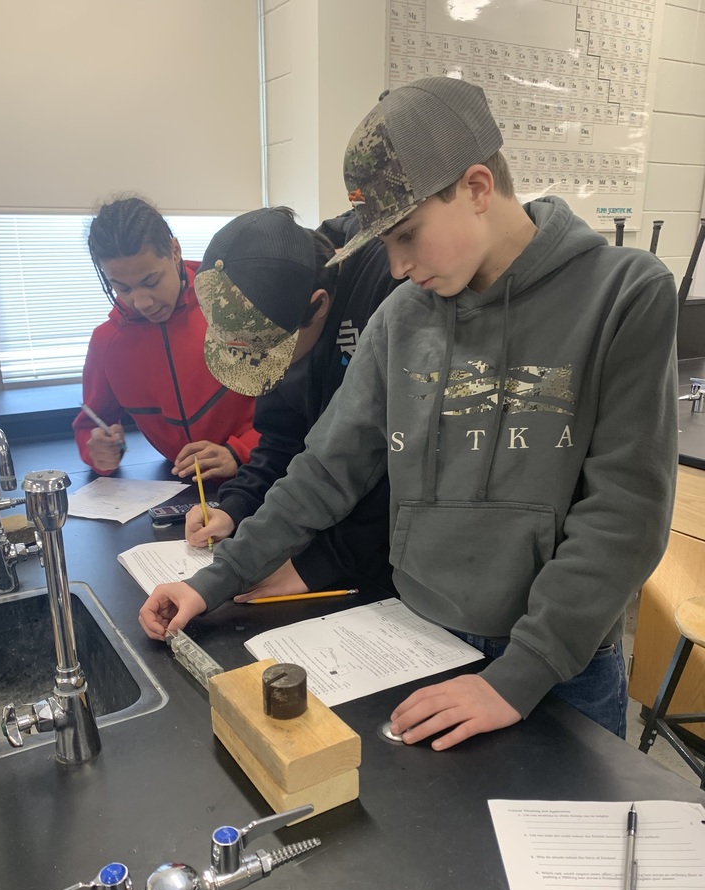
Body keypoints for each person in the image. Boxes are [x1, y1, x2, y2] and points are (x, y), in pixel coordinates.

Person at [139, 77, 678, 752]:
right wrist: (218, 577)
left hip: (556, 661)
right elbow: (325, 470)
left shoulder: (626, 294)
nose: (395, 267)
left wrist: (519, 675)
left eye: (406, 235)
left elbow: (625, 515)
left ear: (478, 188)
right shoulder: (402, 318)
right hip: (414, 640)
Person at [185, 205, 402, 598]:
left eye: (273, 354)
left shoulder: (389, 283)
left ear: (318, 305)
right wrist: (236, 506)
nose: (274, 369)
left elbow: (393, 464)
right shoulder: (273, 294)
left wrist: (317, 564)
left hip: (385, 557)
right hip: (317, 529)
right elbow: (282, 439)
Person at [72, 196, 260, 480]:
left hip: (262, 470)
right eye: (122, 288)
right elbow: (92, 425)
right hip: (178, 487)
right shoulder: (107, 343)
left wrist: (240, 450)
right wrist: (99, 451)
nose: (142, 302)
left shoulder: (234, 303)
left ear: (175, 250)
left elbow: (294, 402)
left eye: (151, 281)